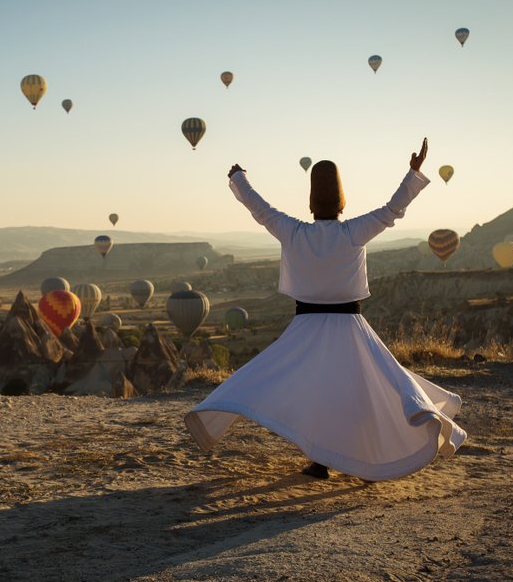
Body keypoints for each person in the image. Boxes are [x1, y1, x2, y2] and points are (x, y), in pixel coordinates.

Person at [184, 139, 467, 481]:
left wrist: (239, 179)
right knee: (364, 395)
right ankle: (367, 463)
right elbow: (393, 209)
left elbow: (260, 210)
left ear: (311, 199)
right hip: (349, 326)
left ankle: (322, 462)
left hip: (307, 327)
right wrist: (413, 173)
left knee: (311, 395)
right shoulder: (353, 232)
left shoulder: (294, 232)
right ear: (341, 199)